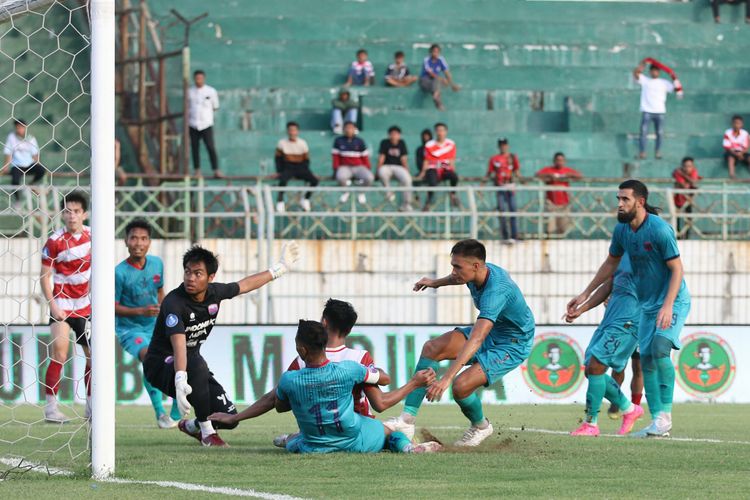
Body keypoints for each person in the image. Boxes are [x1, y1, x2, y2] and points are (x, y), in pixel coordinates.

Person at [143, 242, 300, 447]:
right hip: (161, 365)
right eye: (187, 272)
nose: (190, 277)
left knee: (228, 416)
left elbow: (245, 285)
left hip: (190, 364)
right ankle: (208, 434)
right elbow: (179, 344)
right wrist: (180, 378)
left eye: (197, 273)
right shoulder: (173, 303)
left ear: (211, 277)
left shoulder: (215, 293)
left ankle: (193, 426)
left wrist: (279, 268)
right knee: (197, 363)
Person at [567, 180, 691, 438]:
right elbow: (610, 267)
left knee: (655, 351)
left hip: (664, 302)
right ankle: (644, 415)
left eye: (625, 199)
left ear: (640, 202)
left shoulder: (659, 231)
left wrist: (667, 305)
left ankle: (657, 416)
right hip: (638, 307)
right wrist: (584, 296)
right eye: (618, 199)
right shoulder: (623, 232)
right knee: (622, 362)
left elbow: (677, 269)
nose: (619, 204)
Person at [384, 239, 536, 447]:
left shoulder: (496, 291)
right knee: (432, 348)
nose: (454, 271)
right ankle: (407, 420)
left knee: (460, 387)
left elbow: (477, 337)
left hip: (512, 343)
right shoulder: (477, 272)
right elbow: (459, 279)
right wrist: (435, 283)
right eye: (452, 265)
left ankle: (481, 426)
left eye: (457, 266)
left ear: (475, 266)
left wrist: (446, 378)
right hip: (493, 332)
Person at [209, 299, 437, 434]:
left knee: (289, 439)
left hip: (319, 432)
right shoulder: (358, 358)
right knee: (392, 436)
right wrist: (410, 382)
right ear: (349, 329)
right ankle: (401, 441)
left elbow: (274, 401)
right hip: (358, 429)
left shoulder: (303, 359)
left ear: (324, 323)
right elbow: (381, 403)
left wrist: (235, 418)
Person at [274, 320, 442, 454]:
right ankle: (408, 448)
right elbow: (384, 379)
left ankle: (288, 439)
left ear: (301, 350)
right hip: (352, 439)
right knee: (390, 433)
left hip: (314, 444)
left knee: (298, 441)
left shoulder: (288, 379)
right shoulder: (349, 369)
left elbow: (280, 407)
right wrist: (414, 382)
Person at [565, 253, 644, 437]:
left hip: (628, 323)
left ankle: (591, 423)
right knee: (591, 370)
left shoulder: (651, 257)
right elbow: (608, 285)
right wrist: (581, 309)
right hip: (610, 320)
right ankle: (628, 408)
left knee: (597, 367)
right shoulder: (625, 255)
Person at [115, 219, 180, 428]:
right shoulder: (119, 272)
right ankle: (161, 413)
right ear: (126, 241)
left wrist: (167, 310)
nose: (138, 243)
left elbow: (160, 291)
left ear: (149, 242)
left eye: (143, 238)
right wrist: (140, 311)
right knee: (149, 356)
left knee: (175, 358)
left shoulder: (156, 263)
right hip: (129, 329)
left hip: (155, 327)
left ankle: (177, 404)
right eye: (134, 238)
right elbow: (110, 306)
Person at [40, 191, 91, 423]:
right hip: (61, 305)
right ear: (62, 214)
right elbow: (44, 276)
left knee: (93, 357)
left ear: (85, 214)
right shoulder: (54, 241)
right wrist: (52, 306)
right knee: (59, 354)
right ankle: (51, 409)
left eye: (77, 211)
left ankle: (92, 407)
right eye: (68, 211)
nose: (72, 216)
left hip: (86, 306)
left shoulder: (94, 236)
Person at [633, 61, 675, 159]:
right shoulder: (645, 80)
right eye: (652, 71)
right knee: (643, 132)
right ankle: (642, 152)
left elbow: (675, 87)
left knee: (659, 133)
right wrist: (640, 67)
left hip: (660, 112)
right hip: (647, 111)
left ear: (659, 72)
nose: (654, 73)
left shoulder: (664, 83)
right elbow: (636, 74)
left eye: (656, 71)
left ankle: (657, 152)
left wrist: (672, 75)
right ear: (650, 71)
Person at [275, 121, 318, 213]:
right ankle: (280, 200)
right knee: (283, 180)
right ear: (287, 131)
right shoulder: (281, 143)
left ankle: (306, 198)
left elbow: (306, 159)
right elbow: (278, 159)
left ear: (297, 131)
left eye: (294, 130)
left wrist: (305, 171)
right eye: (290, 130)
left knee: (314, 181)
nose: (292, 132)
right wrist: (279, 171)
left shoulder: (303, 143)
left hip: (300, 167)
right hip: (288, 166)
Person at [535, 153, 583, 236]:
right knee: (550, 229)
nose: (559, 162)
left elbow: (580, 176)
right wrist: (550, 176)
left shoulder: (567, 170)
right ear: (554, 161)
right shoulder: (549, 170)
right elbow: (537, 175)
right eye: (558, 160)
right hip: (551, 204)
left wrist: (568, 175)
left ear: (564, 161)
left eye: (561, 160)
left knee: (563, 229)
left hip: (564, 204)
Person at [188, 70, 223, 178]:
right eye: (197, 78)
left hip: (206, 124)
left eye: (200, 78)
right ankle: (197, 170)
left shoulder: (210, 91)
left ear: (204, 78)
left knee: (210, 147)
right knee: (194, 147)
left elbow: (215, 106)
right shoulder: (190, 92)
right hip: (193, 123)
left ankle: (216, 169)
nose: (198, 80)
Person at [485, 138, 520, 243]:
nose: (503, 147)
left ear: (507, 146)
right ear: (499, 146)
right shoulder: (494, 159)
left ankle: (514, 235)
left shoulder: (512, 157)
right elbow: (490, 173)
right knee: (502, 211)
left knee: (513, 210)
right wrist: (483, 183)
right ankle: (505, 235)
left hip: (510, 186)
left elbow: (517, 171)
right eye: (501, 145)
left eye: (504, 145)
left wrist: (523, 181)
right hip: (500, 187)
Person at [2, 119, 44, 205]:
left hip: (29, 164)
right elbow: (8, 152)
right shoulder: (11, 137)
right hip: (17, 165)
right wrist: (6, 166)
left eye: (21, 127)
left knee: (41, 170)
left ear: (25, 128)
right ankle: (17, 201)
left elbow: (35, 153)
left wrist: (38, 163)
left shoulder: (31, 138)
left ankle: (30, 185)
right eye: (17, 127)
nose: (19, 129)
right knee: (15, 181)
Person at [419, 122, 459, 210]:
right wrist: (422, 173)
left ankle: (453, 195)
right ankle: (428, 202)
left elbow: (451, 160)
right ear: (435, 132)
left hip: (445, 167)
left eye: (442, 130)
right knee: (432, 183)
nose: (440, 132)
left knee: (454, 177)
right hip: (433, 167)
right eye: (438, 130)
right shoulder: (429, 145)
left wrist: (451, 169)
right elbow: (427, 160)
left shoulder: (451, 144)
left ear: (446, 132)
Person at [332, 121, 373, 205]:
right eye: (347, 128)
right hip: (345, 167)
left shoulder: (360, 141)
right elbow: (335, 157)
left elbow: (365, 157)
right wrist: (336, 169)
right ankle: (346, 192)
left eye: (351, 128)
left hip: (359, 167)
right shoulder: (338, 141)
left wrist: (367, 168)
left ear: (354, 129)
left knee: (369, 178)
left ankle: (361, 193)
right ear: (343, 129)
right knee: (340, 177)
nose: (349, 130)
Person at [377, 126, 413, 211]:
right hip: (387, 166)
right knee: (382, 172)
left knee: (407, 180)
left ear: (399, 135)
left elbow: (404, 159)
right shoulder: (384, 142)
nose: (394, 136)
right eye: (392, 134)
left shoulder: (402, 143)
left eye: (396, 134)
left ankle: (406, 204)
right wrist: (377, 170)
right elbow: (381, 157)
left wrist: (407, 171)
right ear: (389, 135)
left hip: (399, 167)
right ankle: (388, 192)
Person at [419, 44, 460, 110]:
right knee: (438, 81)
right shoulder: (426, 60)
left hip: (435, 81)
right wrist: (442, 79)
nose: (435, 53)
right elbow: (430, 74)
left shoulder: (441, 59)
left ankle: (437, 100)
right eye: (434, 51)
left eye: (437, 52)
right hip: (425, 80)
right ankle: (437, 99)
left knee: (437, 82)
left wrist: (452, 84)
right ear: (430, 52)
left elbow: (447, 72)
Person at [607, 350, 644, 419]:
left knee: (638, 368)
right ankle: (615, 404)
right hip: (624, 339)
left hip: (639, 340)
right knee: (618, 368)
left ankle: (636, 407)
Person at [672, 157, 700, 239]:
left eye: (689, 166)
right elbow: (684, 185)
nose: (687, 168)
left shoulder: (692, 171)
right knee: (677, 218)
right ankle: (678, 237)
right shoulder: (677, 172)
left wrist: (682, 174)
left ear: (693, 166)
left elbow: (693, 182)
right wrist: (688, 180)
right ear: (682, 166)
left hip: (689, 199)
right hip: (678, 198)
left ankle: (687, 237)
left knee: (688, 217)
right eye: (685, 166)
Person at [723, 115, 750, 180]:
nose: (736, 125)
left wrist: (741, 153)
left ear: (742, 124)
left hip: (742, 152)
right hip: (731, 152)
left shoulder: (745, 133)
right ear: (732, 124)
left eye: (739, 123)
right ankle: (732, 175)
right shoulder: (727, 132)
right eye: (735, 123)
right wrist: (736, 154)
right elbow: (727, 146)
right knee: (731, 158)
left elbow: (747, 146)